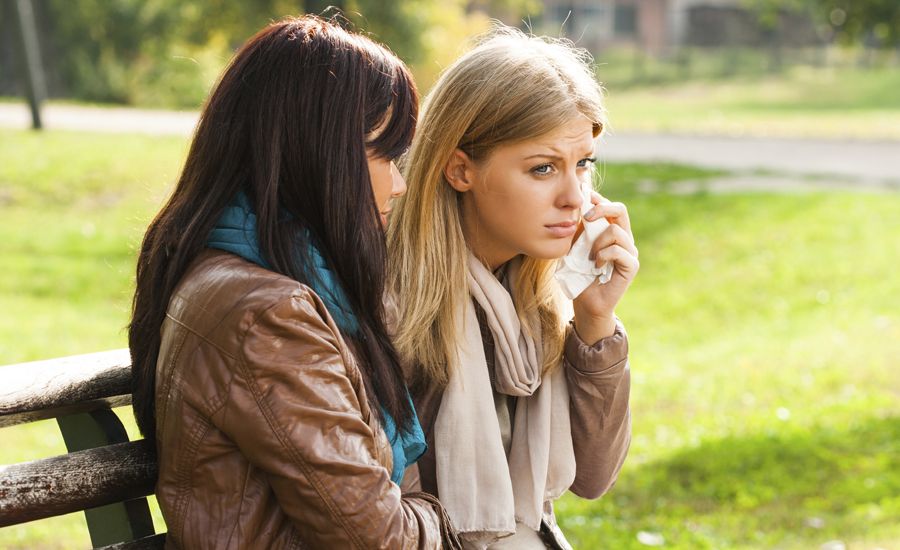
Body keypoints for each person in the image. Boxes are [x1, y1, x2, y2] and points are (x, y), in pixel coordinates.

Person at [128, 16, 460, 549]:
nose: (398, 185)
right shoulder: (268, 314)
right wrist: (435, 519)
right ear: (322, 152)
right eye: (384, 154)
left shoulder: (275, 278)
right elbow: (381, 540)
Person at [388, 28, 637, 549]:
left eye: (584, 163)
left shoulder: (536, 301)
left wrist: (595, 322)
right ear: (460, 169)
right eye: (542, 168)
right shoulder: (394, 303)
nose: (574, 197)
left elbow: (592, 478)